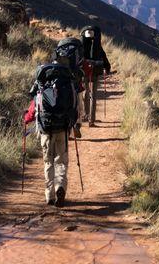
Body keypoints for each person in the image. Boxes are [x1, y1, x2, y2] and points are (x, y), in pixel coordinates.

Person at [24, 63, 78, 207]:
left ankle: (49, 195)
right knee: (61, 161)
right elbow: (74, 106)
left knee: (48, 162)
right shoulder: (67, 85)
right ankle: (60, 186)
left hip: (46, 129)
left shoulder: (41, 85)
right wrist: (73, 122)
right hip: (62, 129)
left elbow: (33, 109)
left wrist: (26, 119)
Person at [80, 25, 111, 127]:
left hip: (84, 72)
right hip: (95, 72)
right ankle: (91, 120)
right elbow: (104, 56)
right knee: (93, 95)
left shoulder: (81, 46)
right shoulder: (97, 46)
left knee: (85, 93)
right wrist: (107, 68)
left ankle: (85, 114)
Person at [55, 37, 84, 138]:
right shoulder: (78, 52)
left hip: (63, 85)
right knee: (79, 105)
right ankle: (77, 124)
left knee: (66, 105)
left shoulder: (59, 52)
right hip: (76, 84)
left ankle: (67, 131)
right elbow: (81, 65)